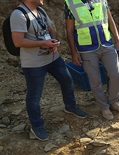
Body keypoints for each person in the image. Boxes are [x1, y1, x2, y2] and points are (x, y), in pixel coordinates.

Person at [10, 0, 88, 141]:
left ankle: (70, 106)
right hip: (33, 63)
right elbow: (18, 41)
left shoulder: (40, 10)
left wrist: (54, 41)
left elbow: (52, 30)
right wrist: (43, 43)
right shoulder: (18, 14)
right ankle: (37, 126)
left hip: (52, 58)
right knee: (34, 96)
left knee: (67, 80)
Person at [65, 0, 119, 121]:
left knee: (116, 75)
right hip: (86, 48)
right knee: (95, 80)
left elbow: (110, 19)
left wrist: (118, 40)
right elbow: (69, 30)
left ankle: (113, 101)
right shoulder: (70, 3)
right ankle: (104, 107)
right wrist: (74, 52)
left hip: (106, 43)